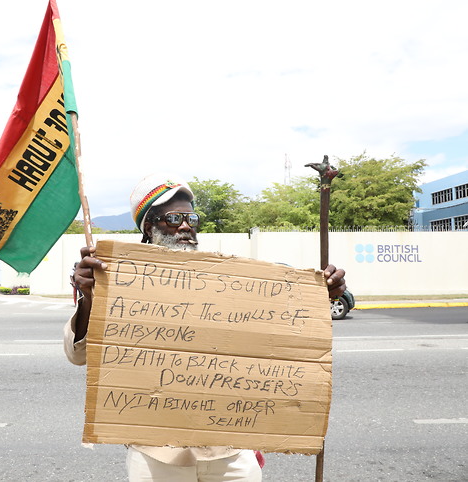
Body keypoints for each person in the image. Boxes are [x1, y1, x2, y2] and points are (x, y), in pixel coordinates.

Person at [64, 173, 347, 482]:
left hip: (230, 450)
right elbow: (78, 356)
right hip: (157, 453)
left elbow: (276, 329)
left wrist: (320, 292)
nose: (186, 226)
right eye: (174, 218)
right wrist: (91, 298)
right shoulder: (118, 280)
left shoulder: (227, 278)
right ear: (150, 226)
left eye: (191, 218)